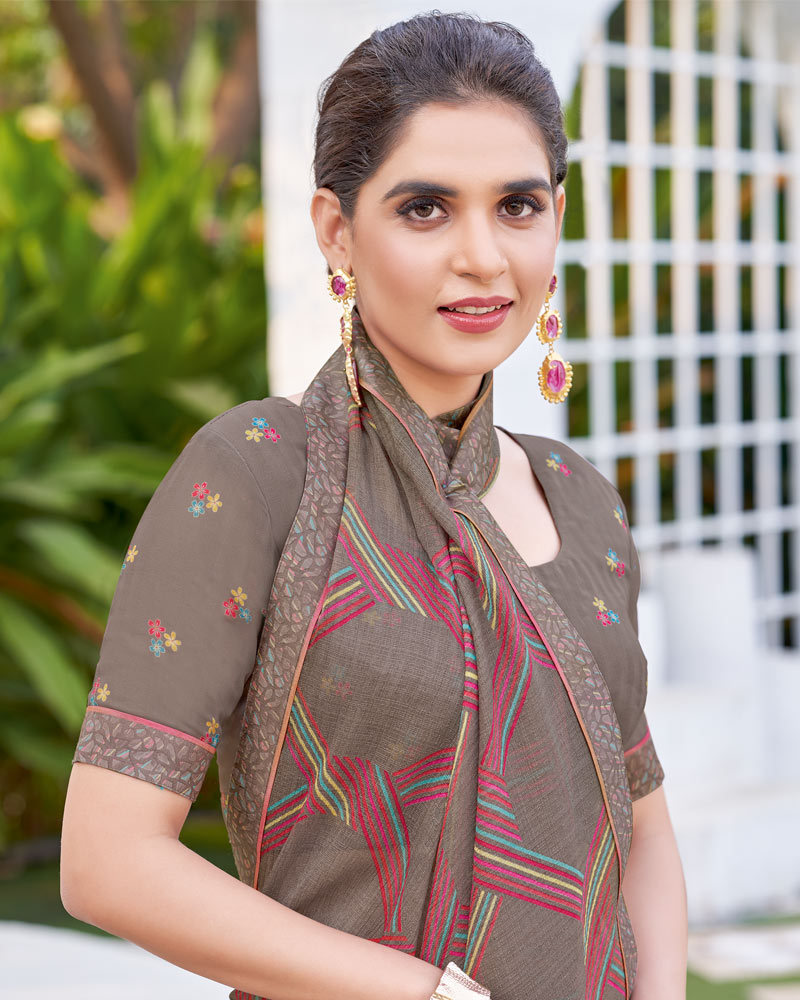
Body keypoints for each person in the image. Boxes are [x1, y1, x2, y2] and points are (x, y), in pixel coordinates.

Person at [60, 11, 688, 1000]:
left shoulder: (582, 503)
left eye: (517, 206)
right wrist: (426, 994)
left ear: (555, 217)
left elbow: (641, 826)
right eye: (425, 208)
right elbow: (108, 859)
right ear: (336, 230)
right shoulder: (260, 475)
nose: (483, 256)